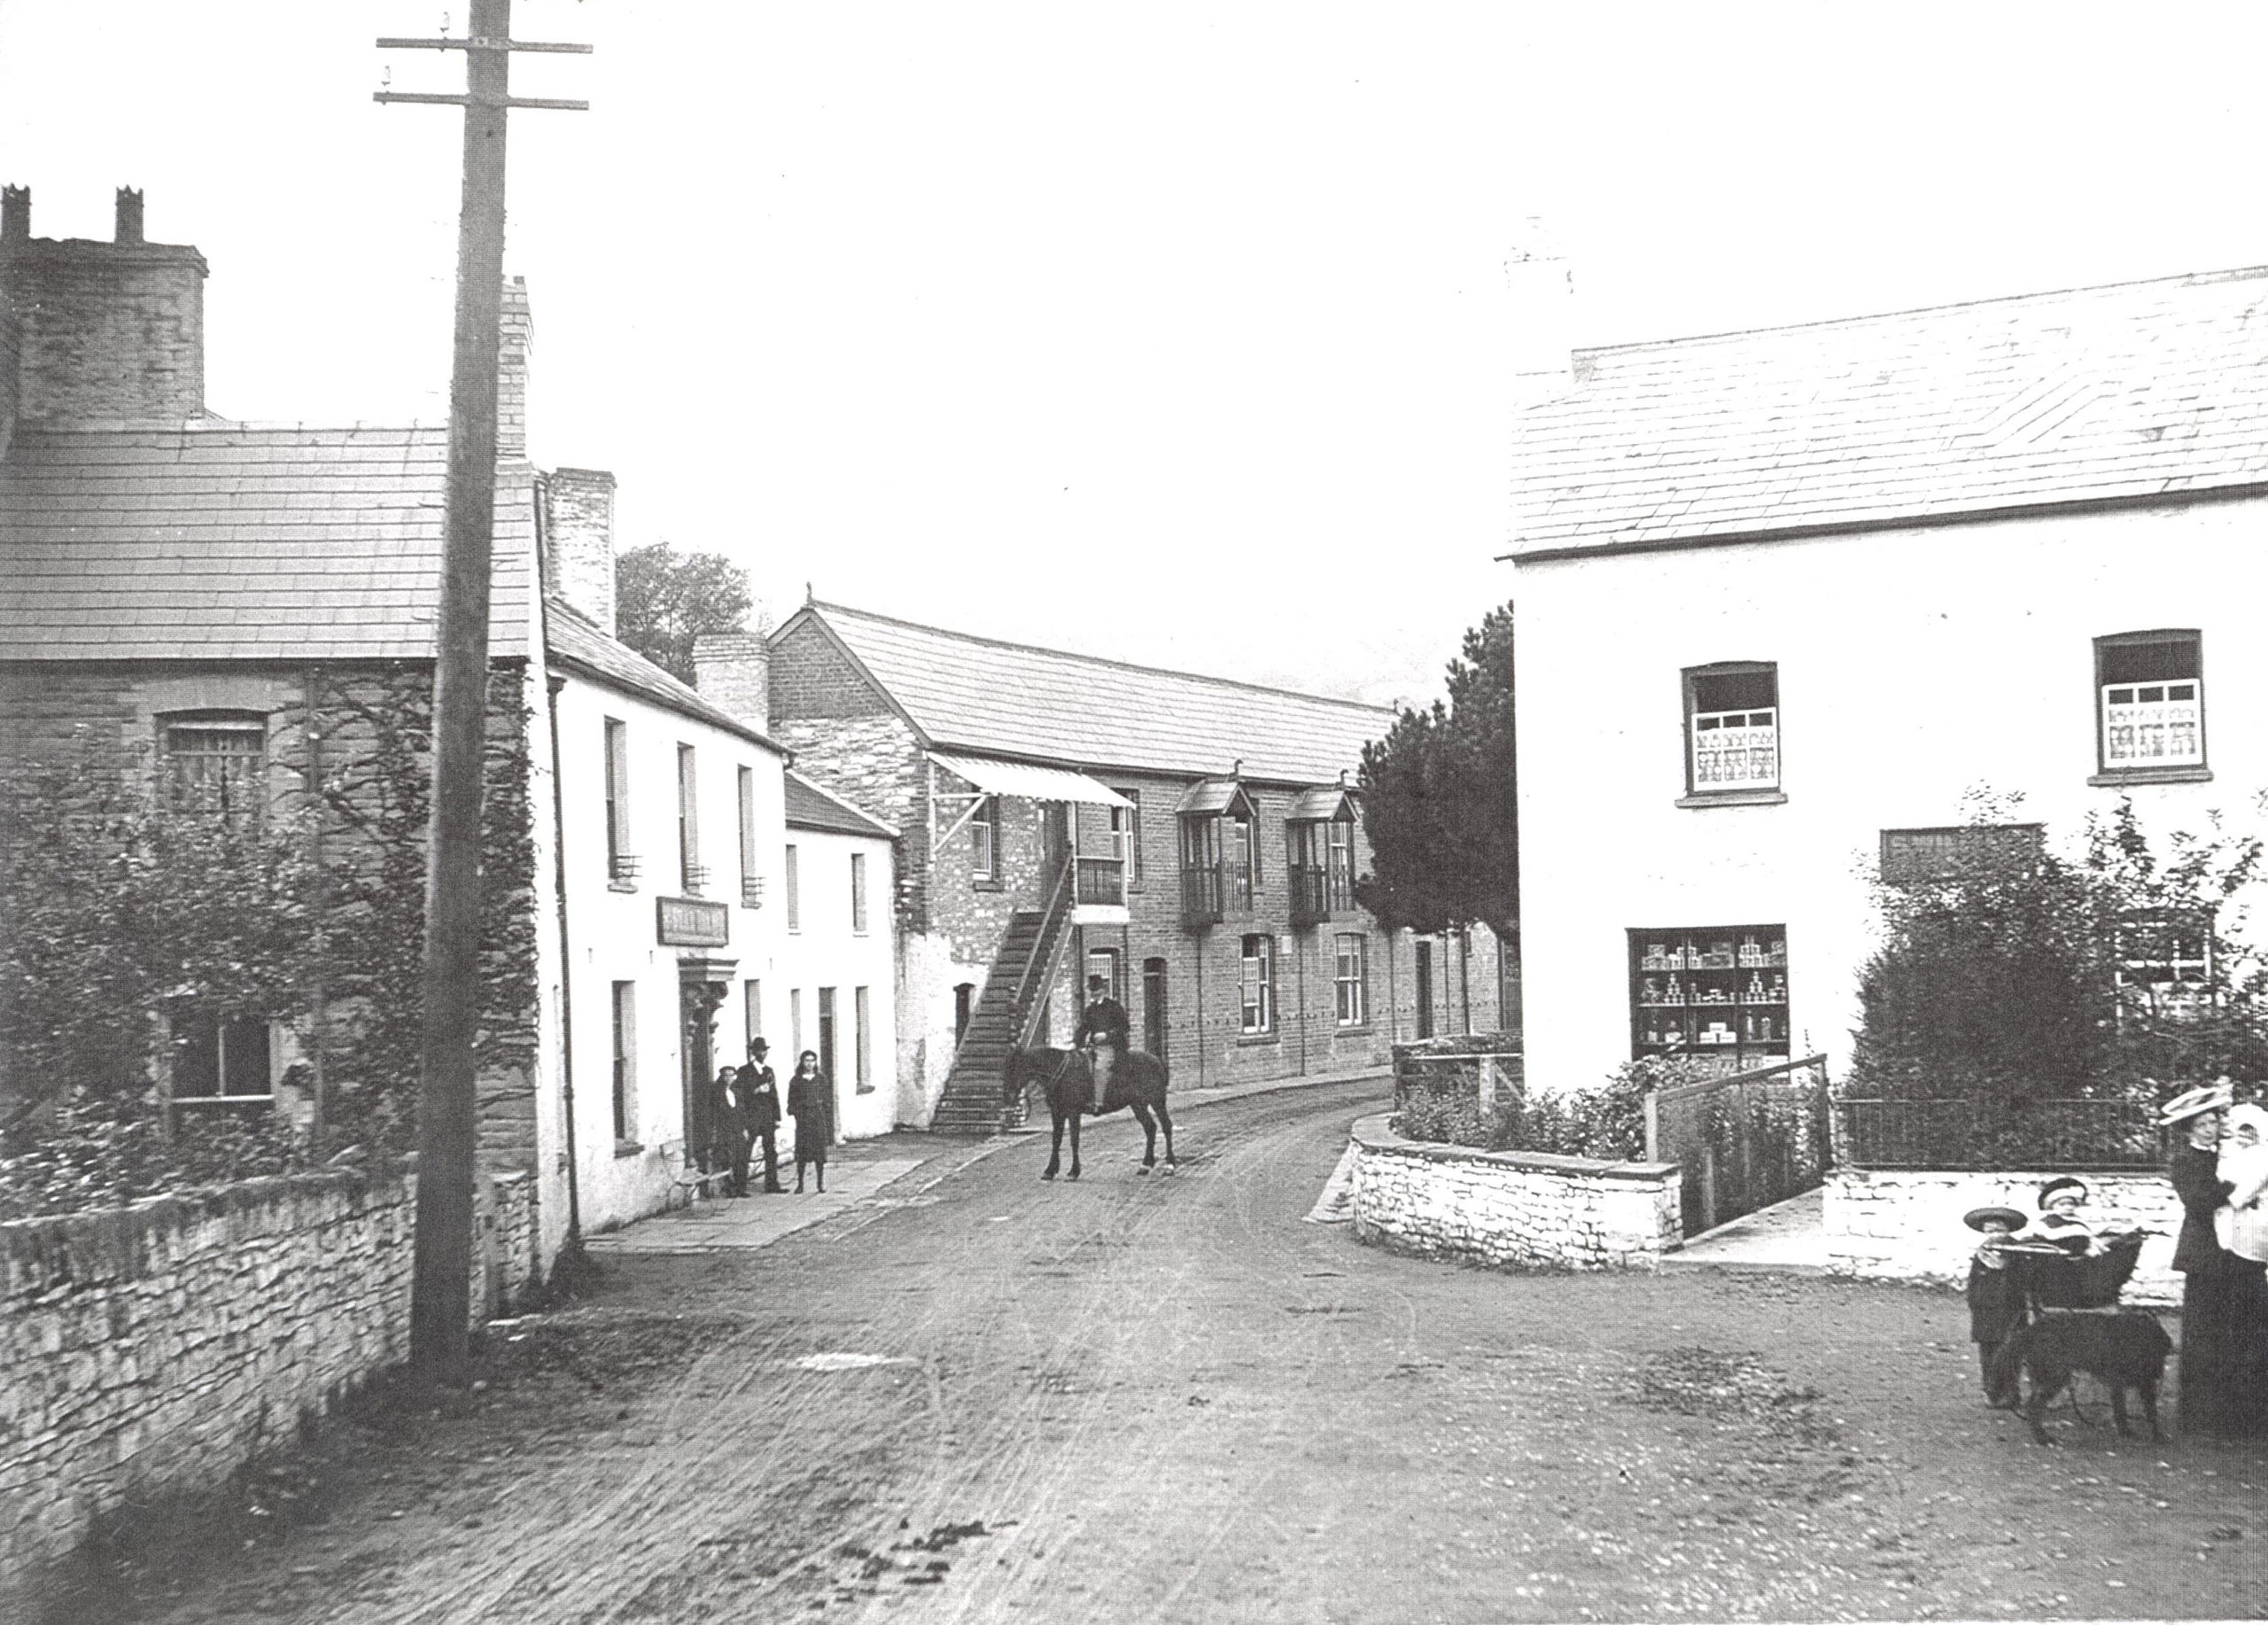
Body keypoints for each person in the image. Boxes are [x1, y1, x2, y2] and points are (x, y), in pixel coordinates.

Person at [2162, 1078, 2268, 1439]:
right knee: (2205, 1336)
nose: (2211, 1130)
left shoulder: (2229, 1154)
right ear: (2188, 1129)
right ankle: (2203, 1418)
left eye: (2213, 1122)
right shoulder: (2184, 1160)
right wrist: (2238, 1187)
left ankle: (2245, 1416)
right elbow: (2202, 1201)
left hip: (2240, 1254)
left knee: (2244, 1330)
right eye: (2202, 1124)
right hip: (2205, 1255)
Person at [1963, 1205, 2028, 1408]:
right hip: (1985, 1310)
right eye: (1990, 1231)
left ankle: (2010, 1393)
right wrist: (1974, 1301)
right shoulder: (1983, 1252)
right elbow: (1973, 1280)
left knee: (2009, 1350)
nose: (1995, 1235)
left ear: (2008, 1231)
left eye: (1999, 1230)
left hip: (2009, 1308)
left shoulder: (2017, 1252)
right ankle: (1992, 1393)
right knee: (1988, 1352)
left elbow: (2023, 1279)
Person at [2216, 1100, 2268, 1265]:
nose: (2244, 1137)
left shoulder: (2262, 1157)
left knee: (2249, 1265)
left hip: (2253, 1218)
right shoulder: (2233, 1155)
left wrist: (2229, 1198)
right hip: (2231, 1218)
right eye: (2240, 1132)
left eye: (2249, 1132)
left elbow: (2248, 1189)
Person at [1072, 973, 1130, 1115]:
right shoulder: (1090, 1009)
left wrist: (1107, 1035)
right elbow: (1084, 1028)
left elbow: (1125, 1027)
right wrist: (1077, 1043)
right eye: (1092, 991)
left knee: (1099, 1069)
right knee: (1079, 1066)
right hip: (1094, 1047)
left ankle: (1098, 1103)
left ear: (1103, 990)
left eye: (1097, 990)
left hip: (1110, 1047)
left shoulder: (1114, 1006)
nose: (1095, 994)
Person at [740, 1038, 783, 1194]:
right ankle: (741, 1187)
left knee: (770, 1151)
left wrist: (777, 1116)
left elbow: (774, 1094)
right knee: (746, 1150)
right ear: (753, 1052)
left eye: (764, 1050)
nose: (762, 1054)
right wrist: (756, 1090)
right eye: (759, 1050)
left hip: (767, 1117)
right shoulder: (744, 1071)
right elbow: (741, 1095)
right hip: (752, 1117)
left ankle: (772, 1184)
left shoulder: (768, 1071)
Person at [788, 1049, 834, 1194]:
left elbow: (827, 1098)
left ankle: (820, 1183)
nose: (809, 1063)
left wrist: (823, 1108)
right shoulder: (796, 1080)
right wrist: (798, 1113)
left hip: (818, 1119)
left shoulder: (821, 1079)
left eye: (812, 1060)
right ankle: (800, 1183)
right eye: (806, 1060)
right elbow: (791, 1101)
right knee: (802, 1152)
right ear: (802, 1062)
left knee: (819, 1152)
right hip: (803, 1120)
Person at [2031, 1176, 2102, 1256]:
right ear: (2052, 1206)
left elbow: (2088, 1235)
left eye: (2071, 1204)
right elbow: (2052, 1237)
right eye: (2062, 1204)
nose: (2068, 1207)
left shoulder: (2077, 1220)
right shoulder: (2049, 1221)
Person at [710, 1065, 753, 1197]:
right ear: (722, 1077)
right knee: (728, 1160)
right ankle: (729, 1188)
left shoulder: (737, 1091)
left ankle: (741, 1188)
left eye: (731, 1075)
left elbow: (742, 1111)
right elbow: (715, 1113)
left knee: (741, 1159)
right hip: (725, 1131)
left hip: (738, 1130)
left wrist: (745, 1128)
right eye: (726, 1075)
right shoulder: (717, 1093)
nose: (728, 1078)